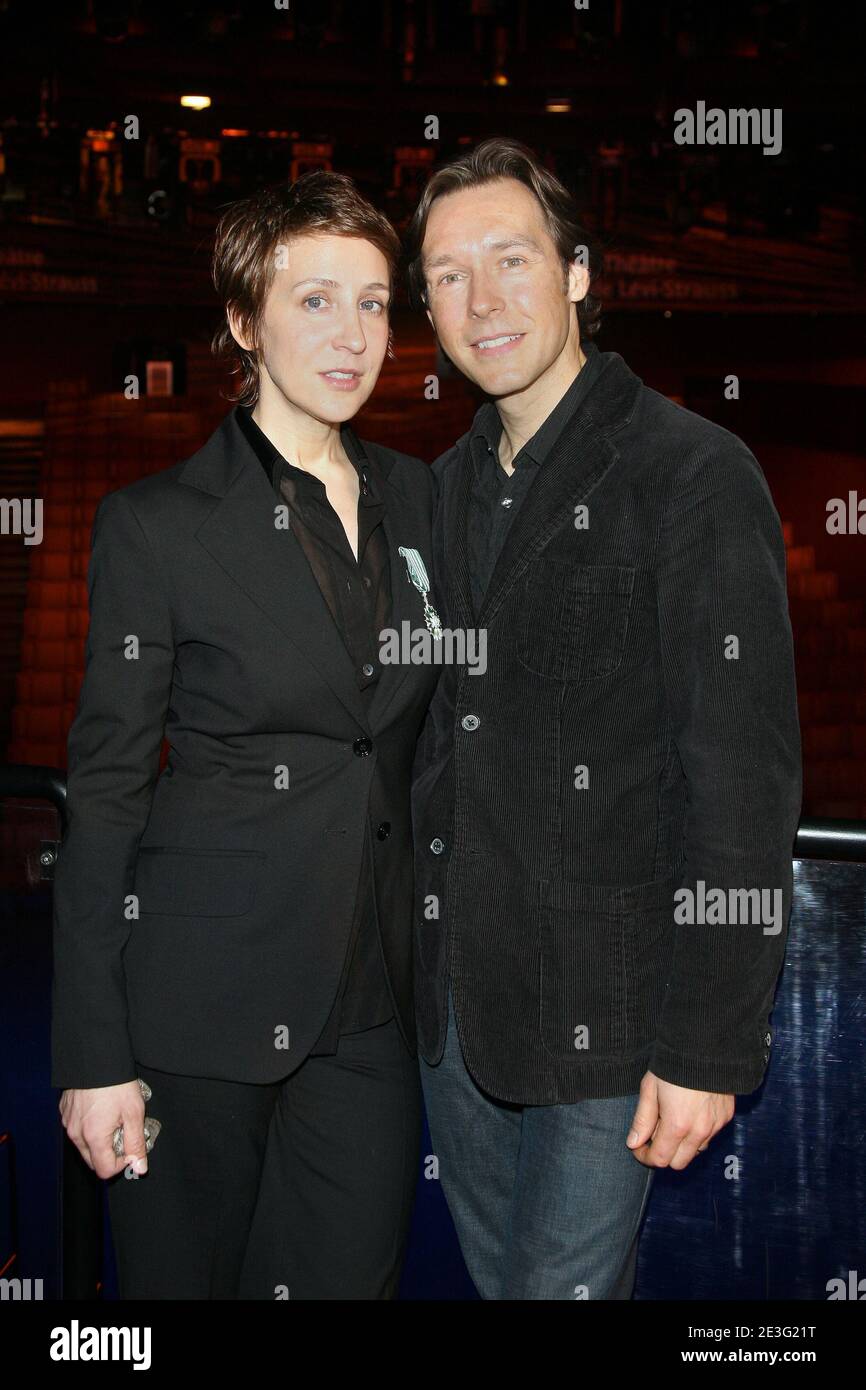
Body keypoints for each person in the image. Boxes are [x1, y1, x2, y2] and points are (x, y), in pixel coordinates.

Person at [406, 137, 803, 1300]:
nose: (480, 301)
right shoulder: (433, 491)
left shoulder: (692, 473)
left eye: (510, 260)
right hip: (457, 1013)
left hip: (611, 1021)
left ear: (577, 274)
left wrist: (707, 1048)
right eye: (445, 274)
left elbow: (742, 782)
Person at [52, 171, 441, 1299]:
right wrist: (93, 1055)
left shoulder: (422, 501)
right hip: (198, 1007)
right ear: (241, 322)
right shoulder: (156, 526)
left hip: (369, 1013)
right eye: (313, 300)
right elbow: (108, 791)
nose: (353, 334)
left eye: (372, 302)